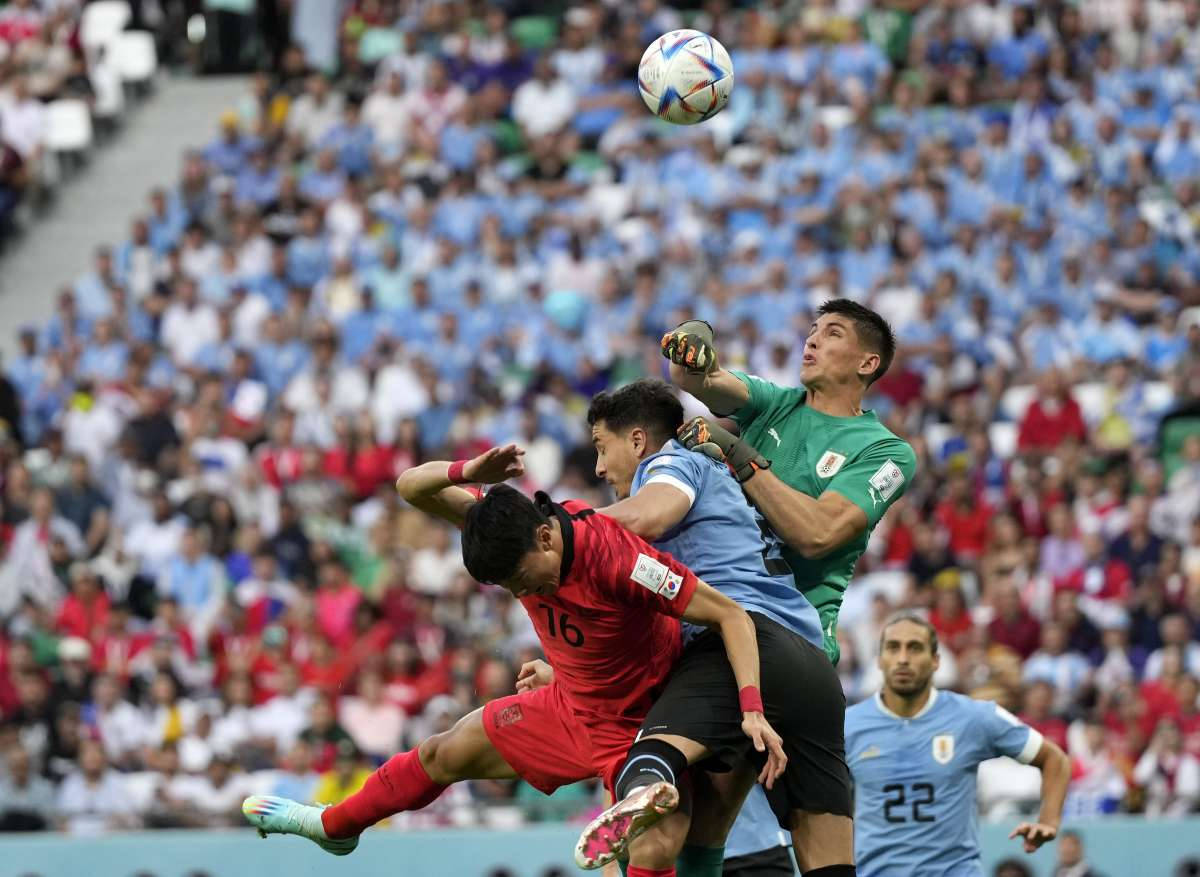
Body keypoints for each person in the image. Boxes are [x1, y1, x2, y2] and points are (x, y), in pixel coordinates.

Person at [243, 444, 784, 876]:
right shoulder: (509, 536)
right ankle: (335, 828)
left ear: (546, 537)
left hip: (642, 725)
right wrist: (466, 470)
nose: (522, 591)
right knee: (441, 752)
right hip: (570, 707)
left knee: (655, 847)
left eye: (522, 580)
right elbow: (411, 487)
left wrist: (751, 707)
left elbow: (731, 617)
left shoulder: (620, 558)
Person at [661, 298, 916, 865]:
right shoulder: (777, 403)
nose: (812, 340)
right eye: (812, 330)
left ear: (867, 363)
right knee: (705, 816)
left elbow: (819, 535)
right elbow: (698, 378)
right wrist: (692, 338)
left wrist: (741, 458)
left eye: (832, 333)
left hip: (793, 642)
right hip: (745, 640)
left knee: (684, 809)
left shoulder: (886, 452)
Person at [562, 379, 849, 876]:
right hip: (812, 668)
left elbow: (649, 516)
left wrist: (558, 531)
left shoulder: (672, 463)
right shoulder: (722, 476)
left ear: (636, 441)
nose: (600, 468)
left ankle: (643, 787)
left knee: (651, 757)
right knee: (785, 850)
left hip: (739, 644)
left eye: (601, 448)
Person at [845, 614, 1071, 875]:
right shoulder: (848, 726)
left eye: (915, 648)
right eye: (893, 648)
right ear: (879, 660)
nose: (903, 658)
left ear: (936, 661)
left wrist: (1049, 820)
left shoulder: (974, 717)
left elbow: (1055, 759)